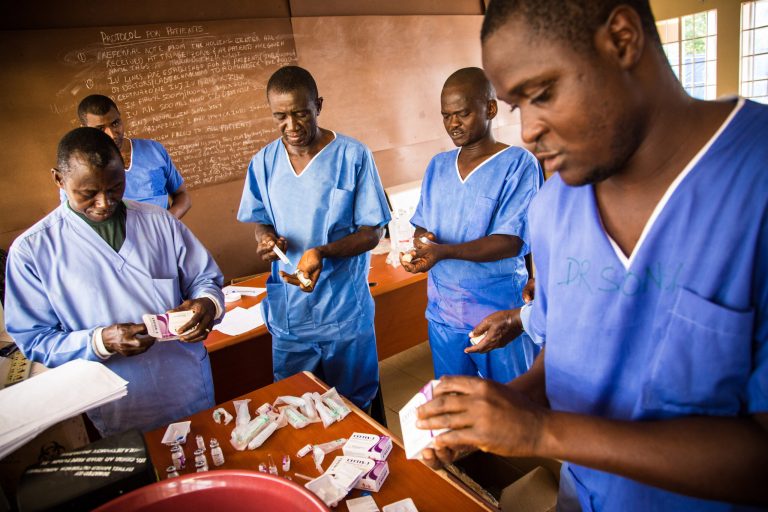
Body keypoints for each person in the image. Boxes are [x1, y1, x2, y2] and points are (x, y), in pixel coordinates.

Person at [416, 0, 768, 510]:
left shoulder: (752, 185)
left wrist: (541, 433)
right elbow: (566, 359)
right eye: (519, 107)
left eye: (543, 94)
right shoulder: (556, 207)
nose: (530, 130)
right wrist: (505, 407)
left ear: (622, 40)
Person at [6, 127, 223, 437]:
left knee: (206, 459)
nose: (104, 202)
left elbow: (204, 278)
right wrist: (100, 341)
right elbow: (36, 339)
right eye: (88, 193)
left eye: (115, 187)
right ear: (59, 179)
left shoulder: (158, 221)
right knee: (144, 475)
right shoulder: (34, 251)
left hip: (186, 384)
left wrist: (207, 303)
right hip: (118, 401)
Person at [237, 66, 391, 410]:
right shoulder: (264, 162)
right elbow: (260, 220)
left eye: (300, 113)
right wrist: (266, 239)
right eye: (280, 116)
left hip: (343, 311)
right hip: (291, 314)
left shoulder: (353, 156)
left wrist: (322, 251)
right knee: (292, 406)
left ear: (318, 105)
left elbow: (373, 232)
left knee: (354, 406)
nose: (291, 126)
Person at [401, 67, 542, 383]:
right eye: (446, 115)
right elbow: (422, 227)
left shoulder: (518, 164)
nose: (453, 124)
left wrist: (443, 252)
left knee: (512, 403)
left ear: (490, 109)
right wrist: (422, 244)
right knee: (456, 401)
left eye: (462, 114)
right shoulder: (438, 167)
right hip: (444, 313)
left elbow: (511, 241)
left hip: (499, 312)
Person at [59, 94, 192, 219]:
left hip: (163, 236)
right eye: (100, 129)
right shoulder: (77, 168)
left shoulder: (154, 150)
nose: (112, 134)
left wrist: (165, 224)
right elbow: (72, 217)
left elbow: (182, 196)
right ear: (85, 129)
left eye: (115, 123)